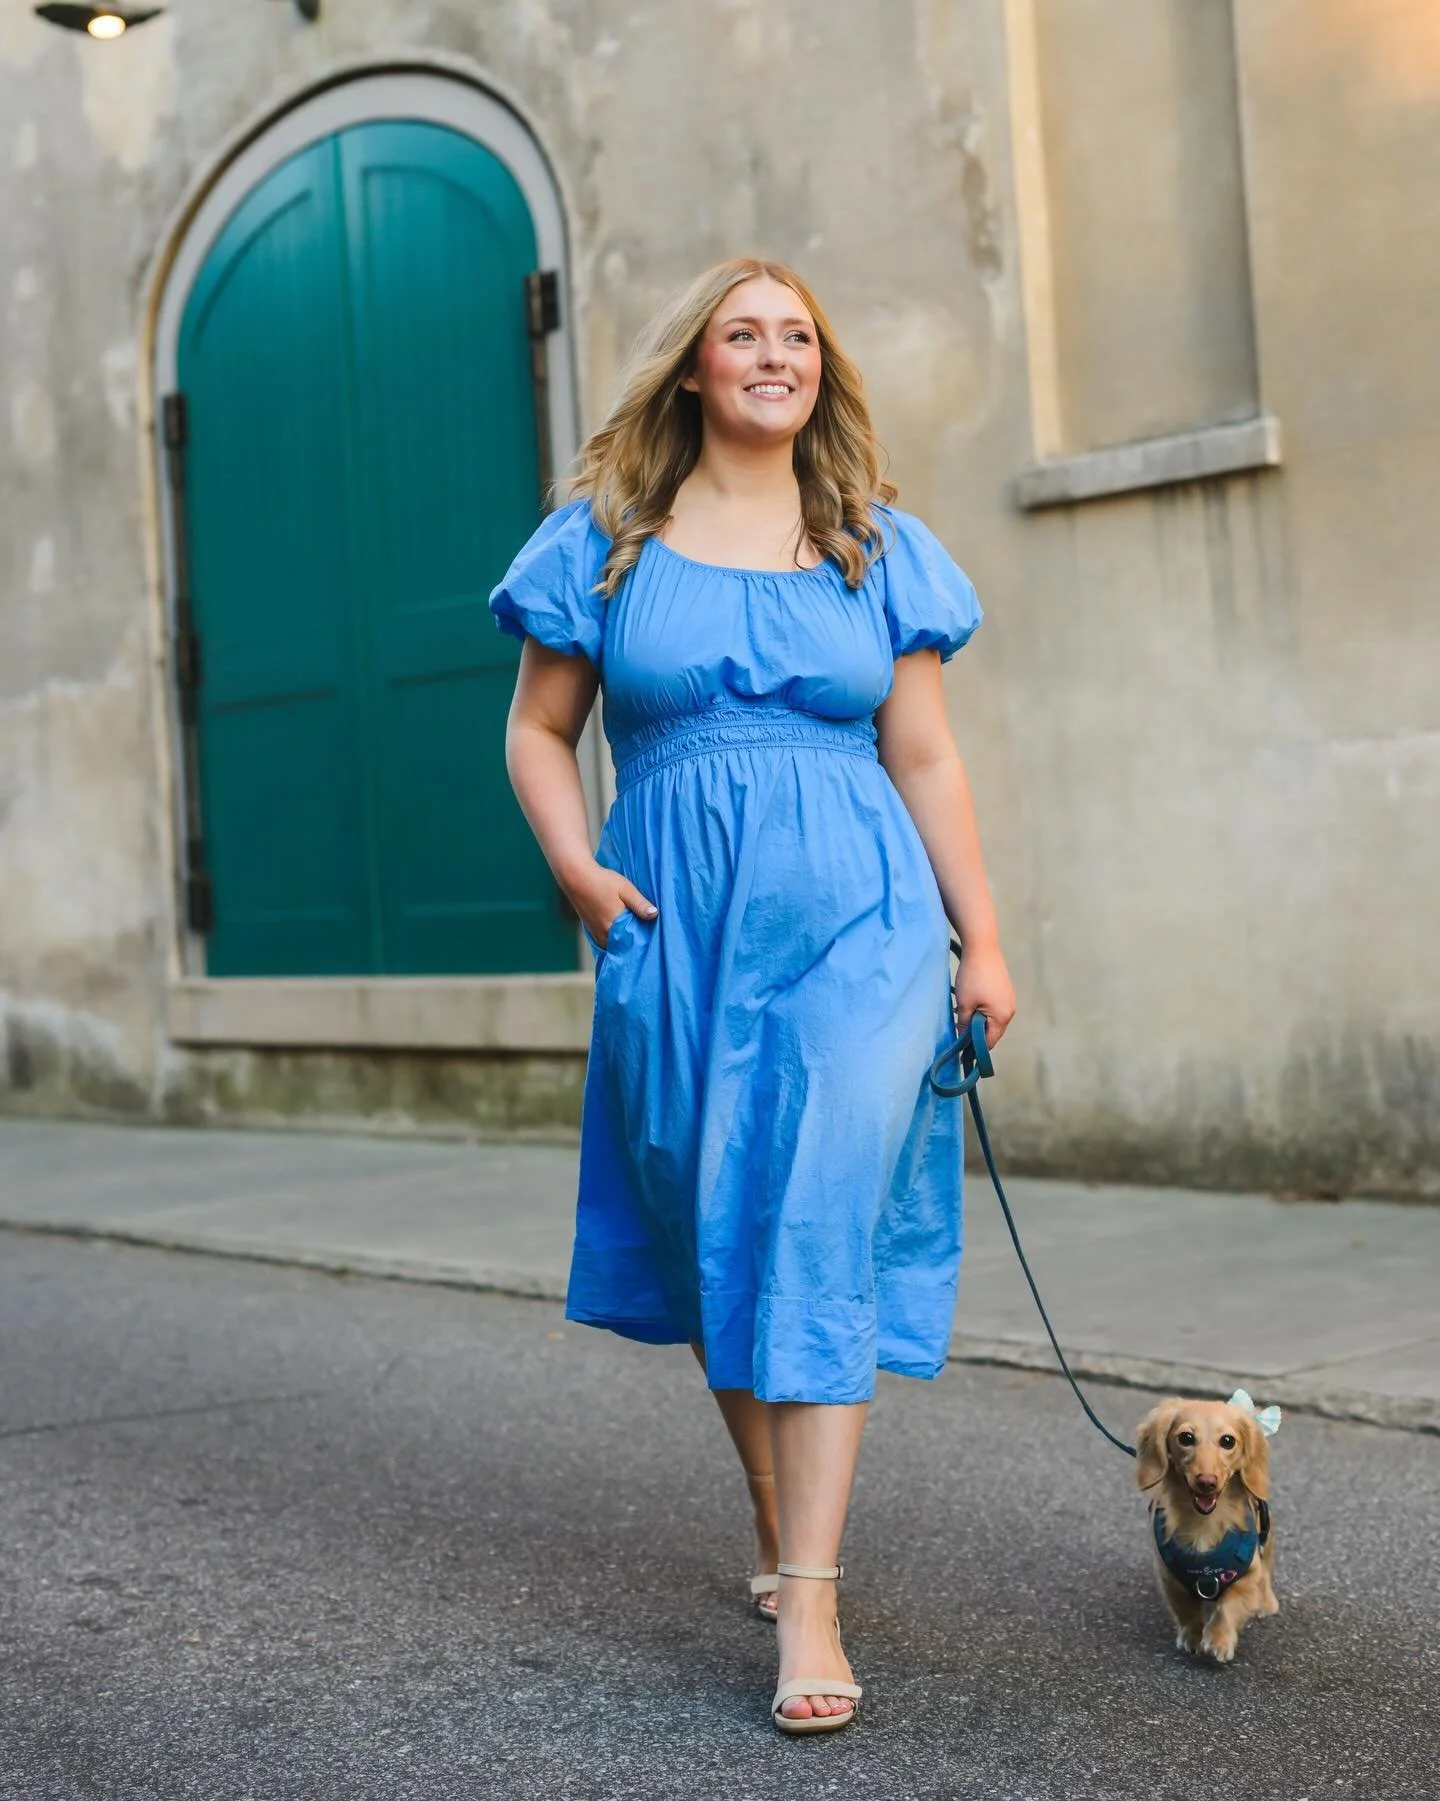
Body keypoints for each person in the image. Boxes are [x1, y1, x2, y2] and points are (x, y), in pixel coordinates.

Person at [490, 257, 1016, 1735]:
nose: (773, 356)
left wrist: (984, 940)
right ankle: (778, 1518)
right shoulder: (607, 540)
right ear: (695, 370)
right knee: (715, 1221)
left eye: (797, 336)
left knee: (814, 1217)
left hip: (867, 926)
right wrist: (578, 871)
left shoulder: (872, 545)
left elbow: (925, 758)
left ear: (818, 371)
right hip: (675, 929)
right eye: (744, 335)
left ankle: (814, 1598)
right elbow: (537, 734)